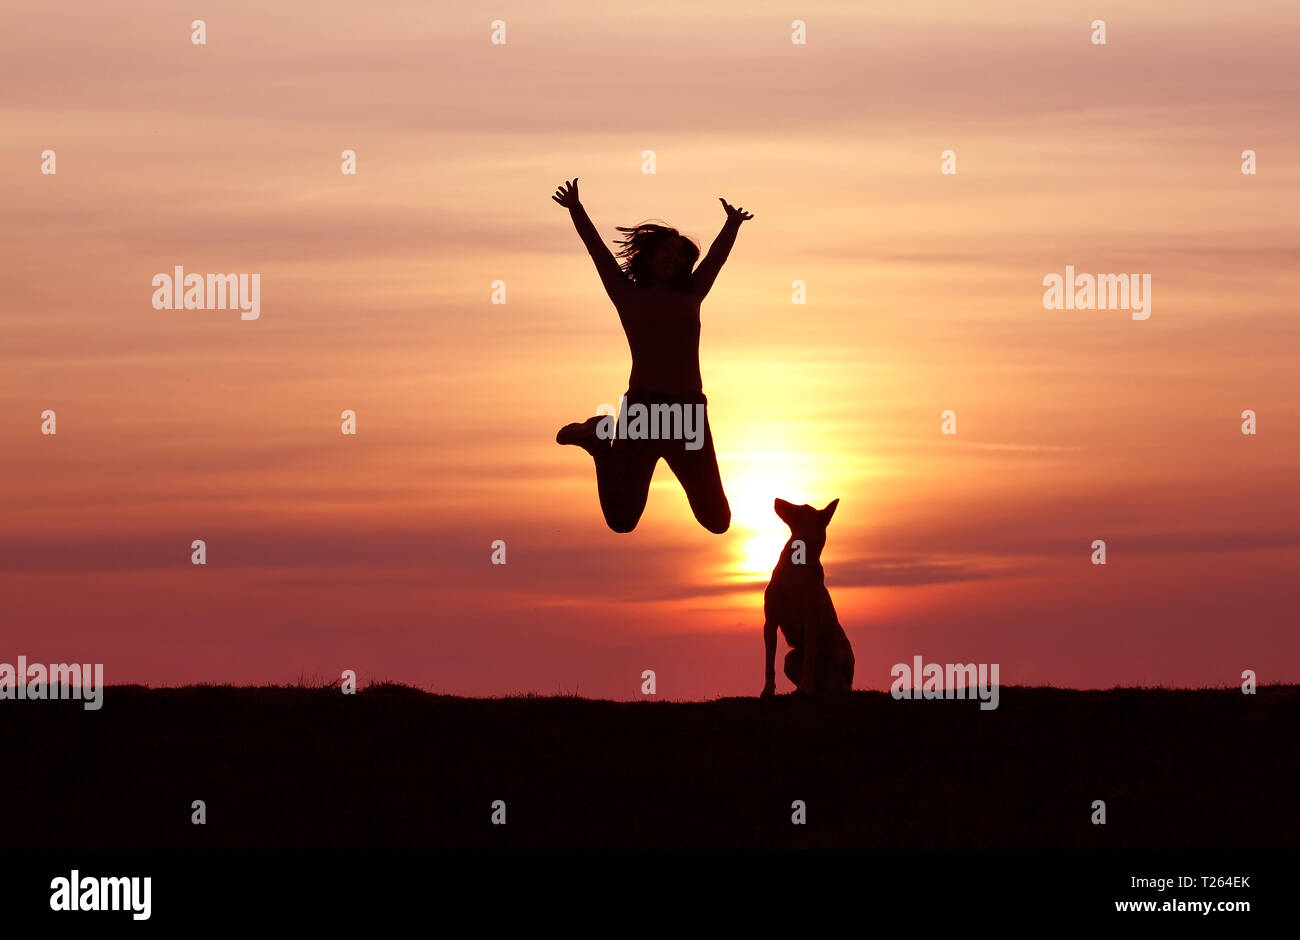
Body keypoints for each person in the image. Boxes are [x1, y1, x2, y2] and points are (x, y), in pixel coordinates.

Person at [552, 177, 753, 534]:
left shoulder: (691, 293)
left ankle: (598, 442)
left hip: (688, 411)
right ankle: (598, 444)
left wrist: (732, 224)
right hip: (643, 410)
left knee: (718, 521)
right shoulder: (625, 293)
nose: (673, 259)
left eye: (679, 256)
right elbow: (596, 251)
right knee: (622, 520)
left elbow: (716, 261)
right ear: (649, 255)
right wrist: (576, 209)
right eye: (666, 252)